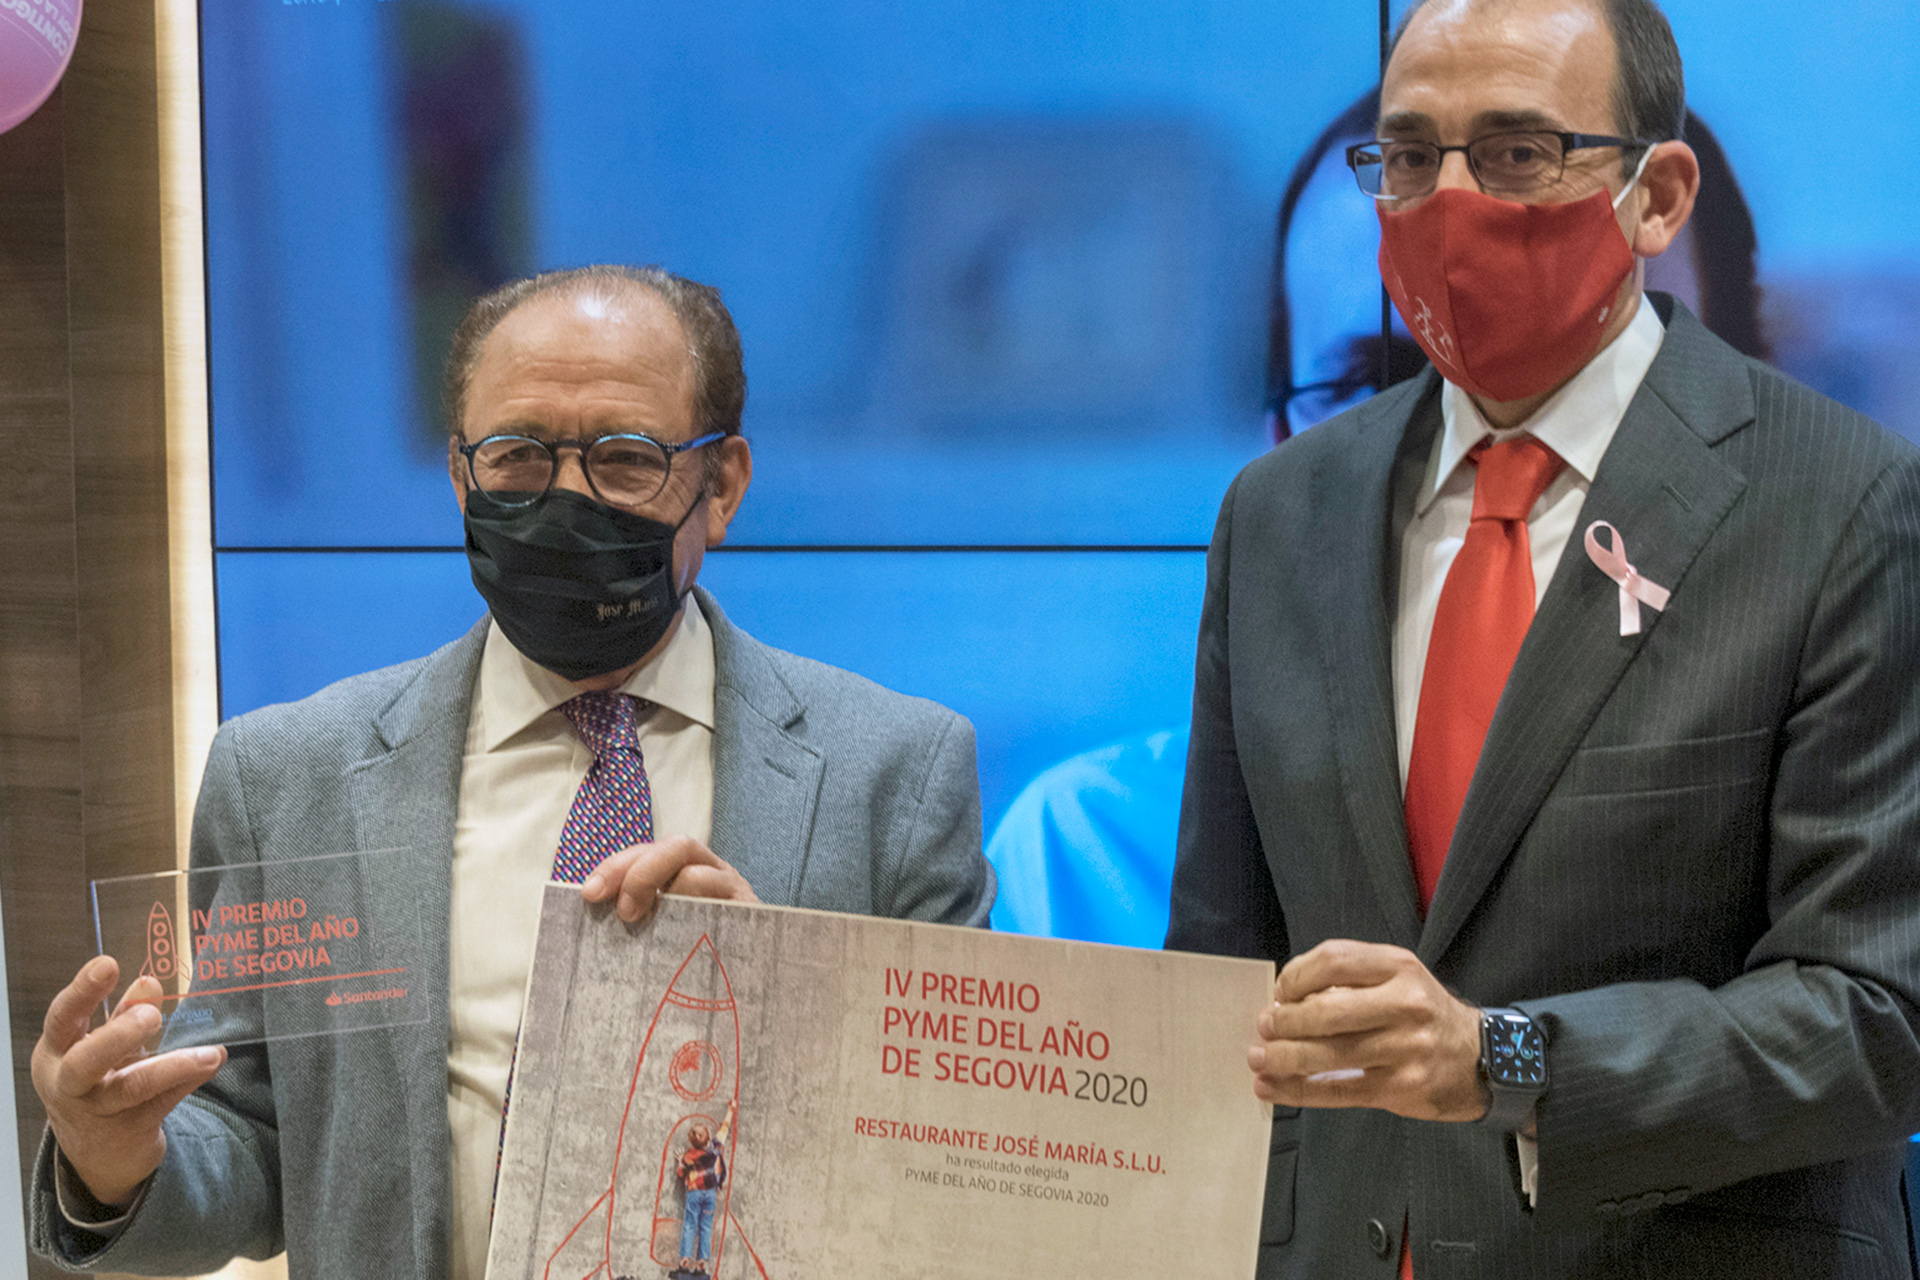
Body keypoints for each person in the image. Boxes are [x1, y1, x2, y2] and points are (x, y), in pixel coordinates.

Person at [27, 265, 994, 1280]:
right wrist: (113, 1161)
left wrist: (783, 1005)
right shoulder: (284, 776)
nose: (565, 500)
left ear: (722, 484)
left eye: (624, 459)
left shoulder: (897, 773)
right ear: (459, 474)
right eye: (520, 455)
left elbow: (956, 1171)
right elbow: (249, 1136)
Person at [1167, 1, 1920, 1276]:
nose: (1451, 200)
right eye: (1409, 156)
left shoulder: (1843, 503)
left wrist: (1500, 1060)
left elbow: (1874, 1017)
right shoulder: (1278, 512)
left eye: (1517, 151)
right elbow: (1218, 982)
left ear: (1656, 194)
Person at [991, 81, 1770, 948]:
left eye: (1592, 368)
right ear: (1277, 441)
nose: (1490, 432)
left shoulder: (1847, 831)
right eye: (1378, 383)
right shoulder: (1084, 862)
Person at [674, 1100, 734, 1275]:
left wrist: (679, 1162)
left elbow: (680, 1173)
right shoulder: (715, 1148)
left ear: (692, 1143)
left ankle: (685, 1258)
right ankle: (701, 1261)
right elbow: (724, 1127)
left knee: (690, 1224)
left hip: (694, 1193)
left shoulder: (690, 1156)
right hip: (709, 1194)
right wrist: (730, 1110)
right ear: (708, 1137)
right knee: (706, 1226)